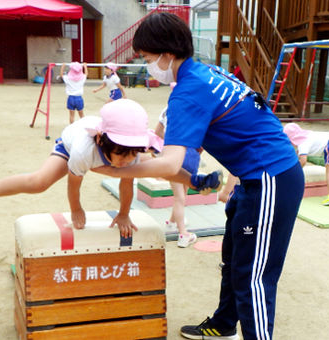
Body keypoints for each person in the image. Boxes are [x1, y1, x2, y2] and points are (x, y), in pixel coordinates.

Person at [94, 13, 304, 340]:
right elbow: (188, 156)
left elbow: (170, 164)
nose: (149, 66)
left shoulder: (189, 90)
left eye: (148, 59)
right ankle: (223, 324)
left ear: (167, 53)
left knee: (254, 276)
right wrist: (178, 167)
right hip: (255, 179)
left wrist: (112, 167)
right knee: (234, 258)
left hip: (271, 178)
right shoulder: (204, 73)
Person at [0, 99, 169, 237]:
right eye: (122, 155)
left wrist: (123, 214)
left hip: (99, 156)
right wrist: (76, 209)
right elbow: (74, 185)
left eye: (133, 153)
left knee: (138, 168)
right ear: (102, 140)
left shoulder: (131, 153)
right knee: (38, 183)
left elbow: (126, 183)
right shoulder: (84, 150)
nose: (127, 159)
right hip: (70, 146)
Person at [155, 82, 201, 248]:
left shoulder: (167, 110)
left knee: (178, 197)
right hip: (191, 154)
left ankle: (178, 228)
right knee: (183, 194)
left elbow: (157, 133)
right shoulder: (194, 110)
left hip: (172, 153)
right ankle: (178, 227)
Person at [284, 122, 329, 206]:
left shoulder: (302, 144)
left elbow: (303, 161)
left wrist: (296, 171)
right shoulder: (308, 135)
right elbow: (298, 153)